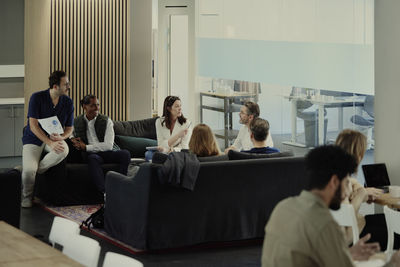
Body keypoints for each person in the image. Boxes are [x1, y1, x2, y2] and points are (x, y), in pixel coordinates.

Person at [261, 145, 400, 267]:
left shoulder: (283, 207)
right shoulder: (325, 223)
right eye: (347, 183)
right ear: (334, 181)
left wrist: (346, 254)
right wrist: (393, 263)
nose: (347, 193)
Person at [21, 70, 74, 208]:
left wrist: (61, 137)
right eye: (66, 84)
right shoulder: (36, 98)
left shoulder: (68, 102)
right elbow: (33, 126)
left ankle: (37, 171)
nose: (69, 86)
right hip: (34, 138)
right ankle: (26, 197)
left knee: (64, 150)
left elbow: (70, 128)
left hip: (54, 136)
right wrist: (49, 142)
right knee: (27, 171)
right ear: (55, 86)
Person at [336, 129, 386, 247]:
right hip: (350, 238)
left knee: (387, 220)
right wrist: (361, 194)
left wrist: (360, 191)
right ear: (357, 156)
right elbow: (345, 219)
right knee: (395, 231)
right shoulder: (339, 184)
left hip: (358, 224)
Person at [71, 95, 130, 194]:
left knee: (125, 154)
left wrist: (86, 147)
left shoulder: (106, 121)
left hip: (107, 152)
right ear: (84, 107)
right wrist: (73, 140)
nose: (97, 108)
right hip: (91, 155)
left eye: (98, 105)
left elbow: (108, 145)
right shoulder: (76, 122)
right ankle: (105, 193)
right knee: (92, 159)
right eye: (93, 105)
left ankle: (120, 187)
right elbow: (70, 135)